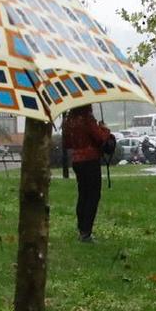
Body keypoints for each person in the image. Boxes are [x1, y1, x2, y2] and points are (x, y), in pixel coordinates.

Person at [60, 104, 114, 242]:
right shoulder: (87, 118)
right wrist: (105, 129)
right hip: (90, 160)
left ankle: (81, 228)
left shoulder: (68, 120)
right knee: (93, 196)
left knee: (83, 195)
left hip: (77, 161)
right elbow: (100, 138)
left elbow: (66, 143)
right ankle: (86, 232)